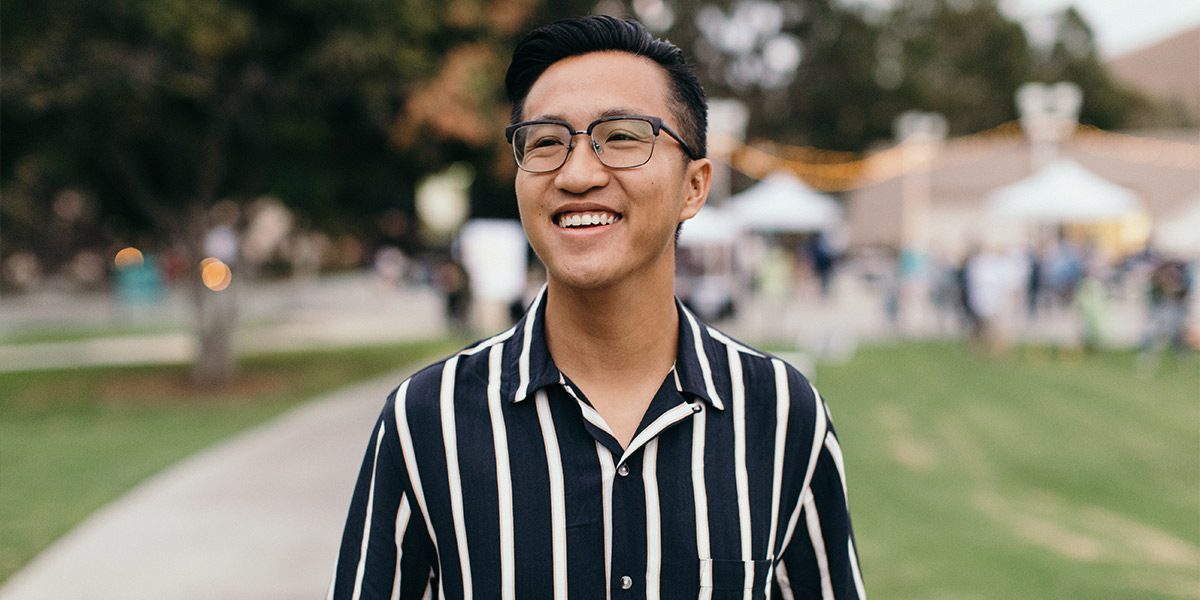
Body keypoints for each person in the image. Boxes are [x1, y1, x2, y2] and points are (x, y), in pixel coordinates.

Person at [329, 16, 864, 599]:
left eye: (623, 137)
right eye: (547, 143)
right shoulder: (426, 420)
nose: (578, 174)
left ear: (694, 186)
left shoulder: (782, 415)